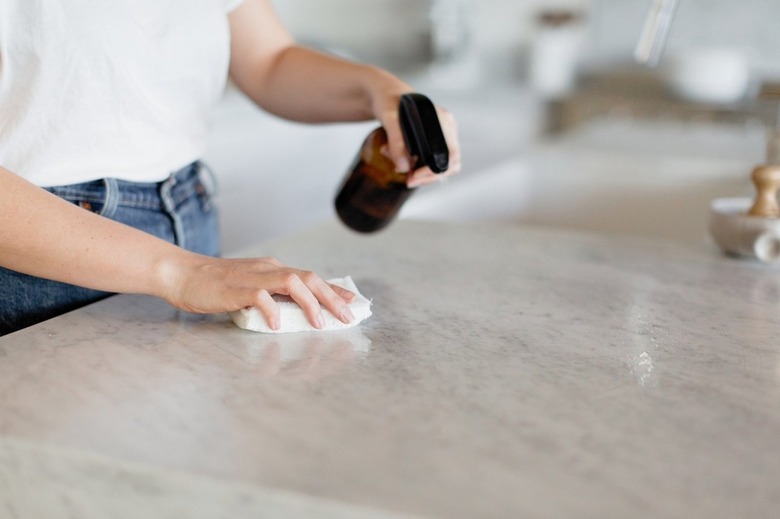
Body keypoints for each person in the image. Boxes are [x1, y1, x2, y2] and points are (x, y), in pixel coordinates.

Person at [0, 0, 461, 336]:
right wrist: (183, 273)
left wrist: (380, 91)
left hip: (190, 218)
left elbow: (269, 62)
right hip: (40, 253)